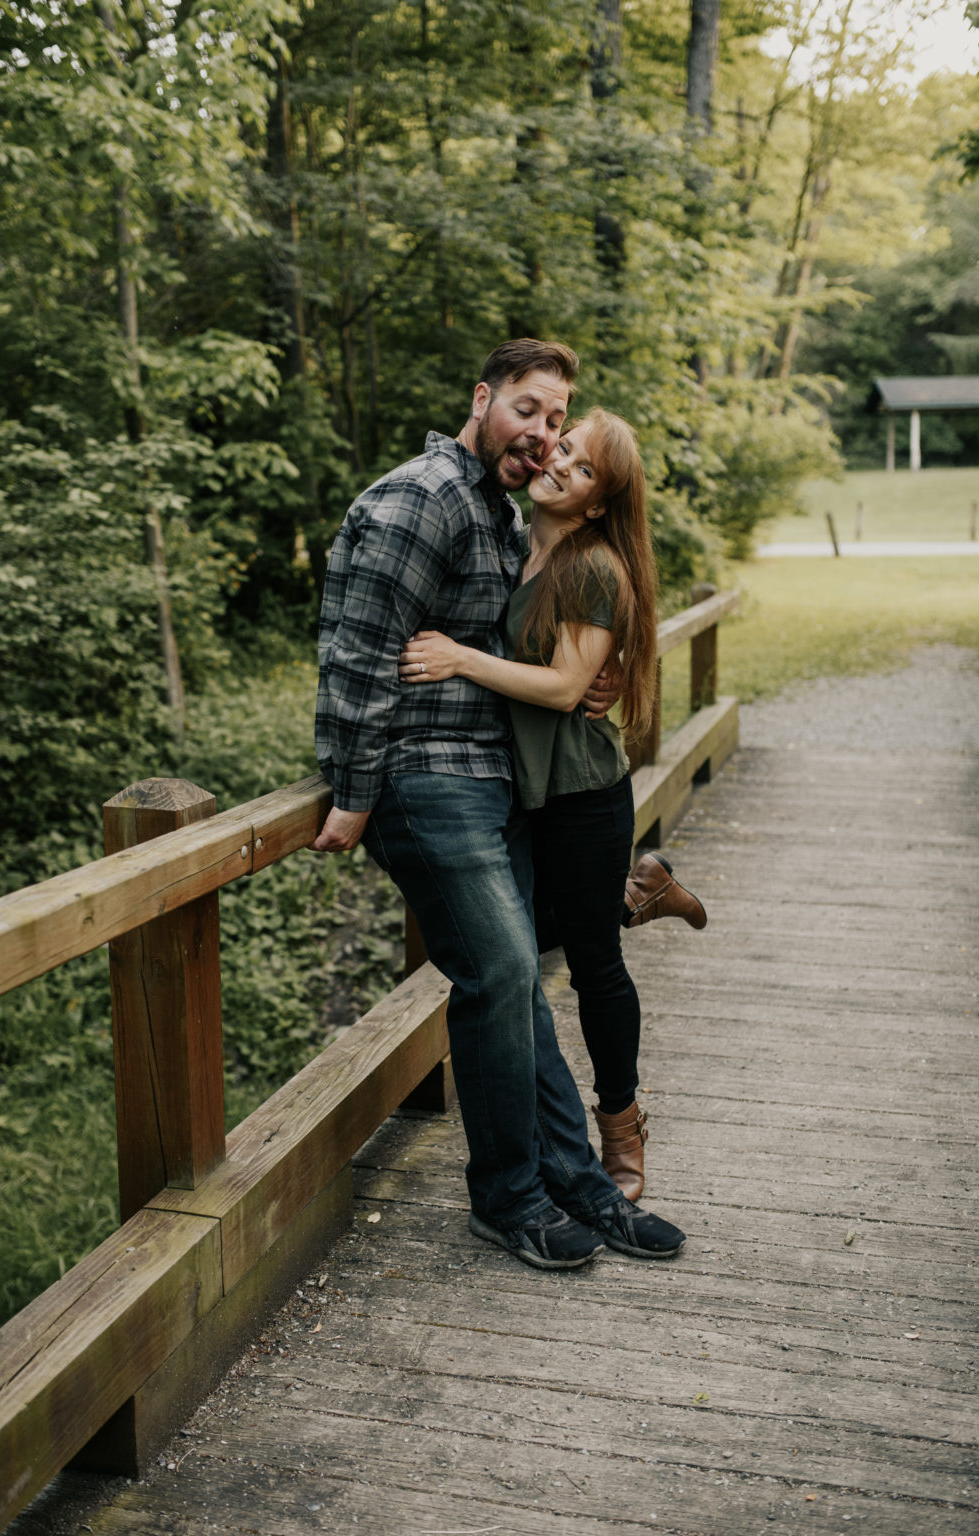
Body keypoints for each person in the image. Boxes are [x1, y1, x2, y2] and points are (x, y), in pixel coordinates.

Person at [313, 338, 686, 1270]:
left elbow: (543, 637)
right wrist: (355, 793)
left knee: (513, 978)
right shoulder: (422, 496)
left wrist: (583, 680)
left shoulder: (498, 512)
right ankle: (508, 1196)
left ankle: (577, 1181)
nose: (544, 435)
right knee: (504, 974)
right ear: (483, 399)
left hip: (497, 782)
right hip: (427, 779)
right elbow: (358, 653)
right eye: (528, 410)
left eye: (559, 421)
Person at [399, 406, 701, 1202]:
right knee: (511, 949)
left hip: (581, 793)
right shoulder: (507, 537)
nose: (560, 463)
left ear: (598, 501)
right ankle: (633, 892)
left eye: (583, 467)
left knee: (593, 969)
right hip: (519, 787)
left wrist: (456, 659)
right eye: (561, 448)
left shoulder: (593, 568)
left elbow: (567, 687)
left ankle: (621, 1125)